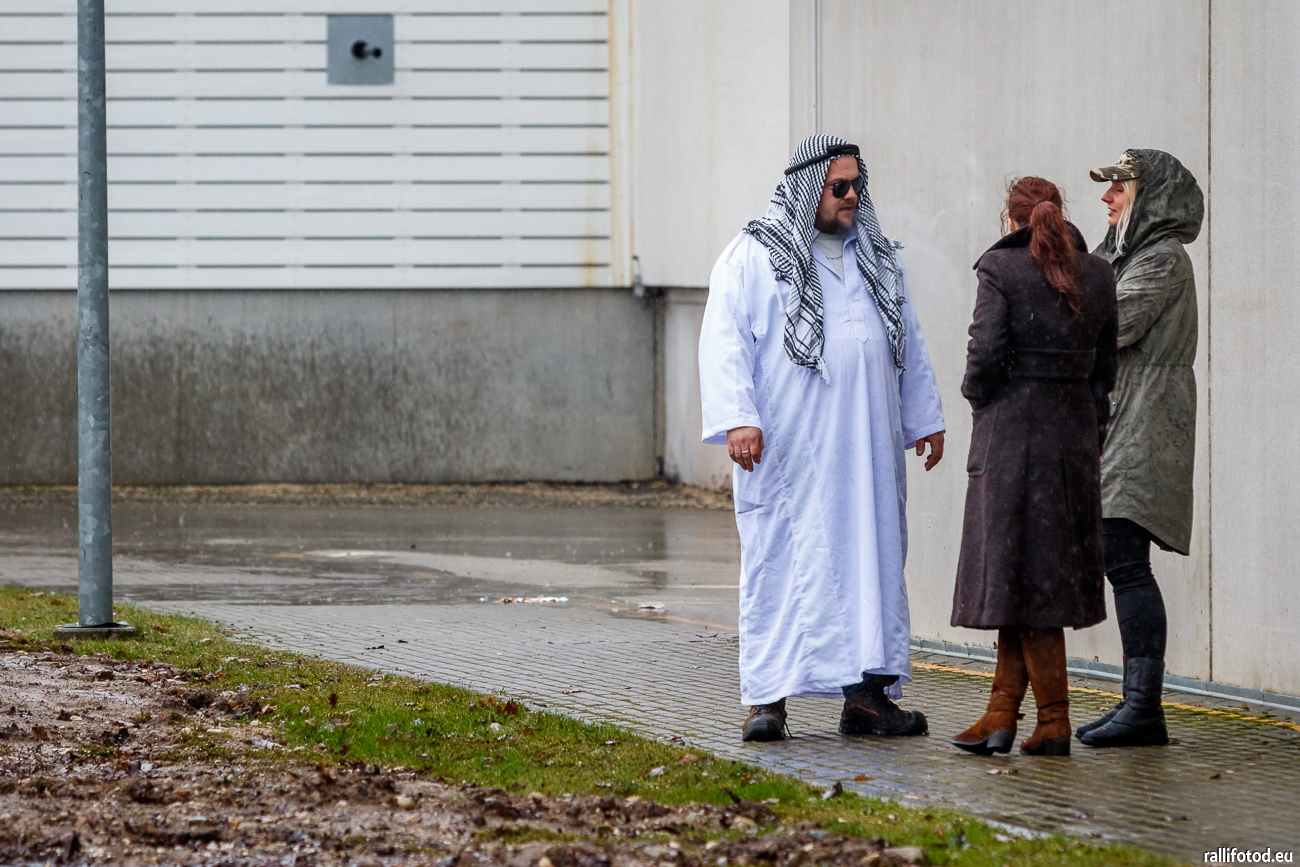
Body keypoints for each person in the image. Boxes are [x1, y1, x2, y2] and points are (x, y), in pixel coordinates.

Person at [698, 134, 946, 742]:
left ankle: (868, 699)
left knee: (872, 564)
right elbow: (724, 339)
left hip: (868, 450)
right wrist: (739, 417)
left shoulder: (878, 257)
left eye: (858, 185)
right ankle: (767, 703)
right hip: (792, 455)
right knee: (783, 568)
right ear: (809, 187)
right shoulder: (755, 254)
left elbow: (907, 339)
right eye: (840, 186)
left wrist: (925, 418)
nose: (852, 196)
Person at [950, 177, 1118, 757]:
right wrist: (1090, 428)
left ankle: (1054, 719)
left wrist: (981, 402)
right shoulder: (1099, 273)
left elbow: (983, 355)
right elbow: (1105, 370)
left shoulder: (1000, 269)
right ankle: (1002, 715)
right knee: (1030, 579)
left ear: (1011, 219)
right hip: (1071, 443)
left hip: (1012, 440)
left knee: (1021, 579)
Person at [1076, 150, 1204, 749]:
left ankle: (1144, 708)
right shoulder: (1127, 253)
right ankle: (1136, 703)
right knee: (1120, 557)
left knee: (1125, 558)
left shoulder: (1161, 259)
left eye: (1118, 188)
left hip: (1146, 422)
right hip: (1124, 417)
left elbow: (1110, 323)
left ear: (1147, 196)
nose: (1106, 198)